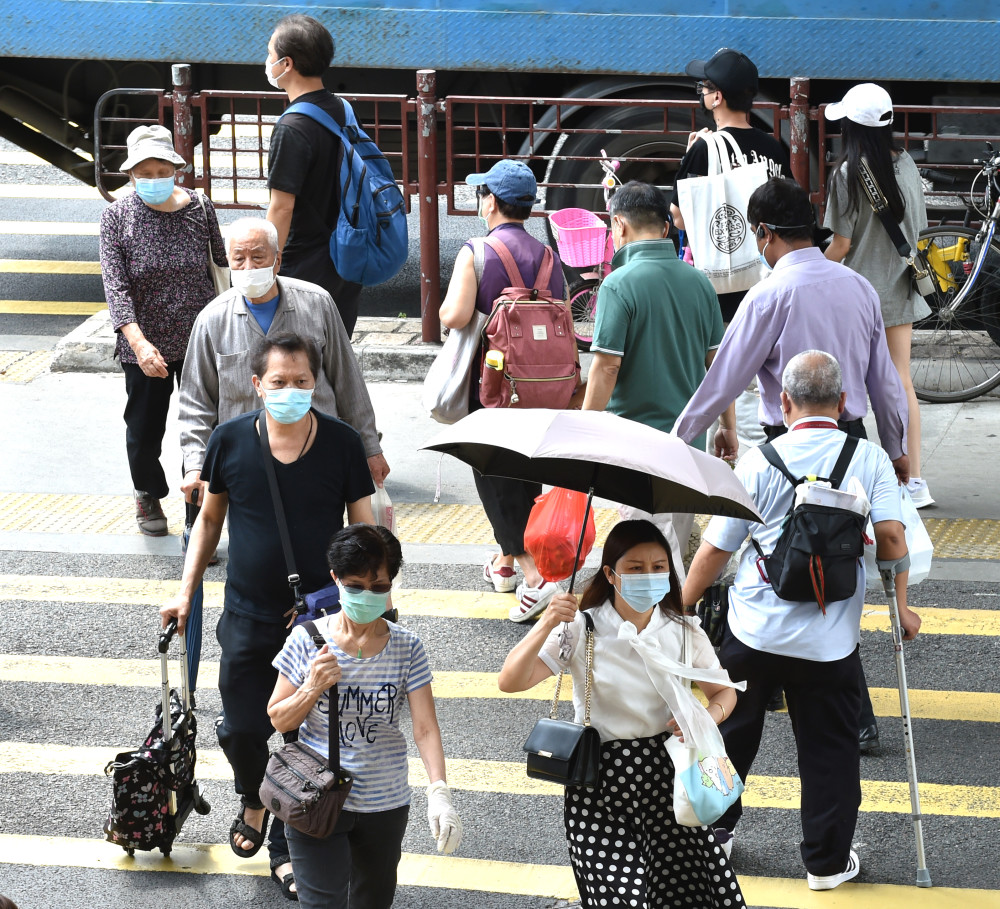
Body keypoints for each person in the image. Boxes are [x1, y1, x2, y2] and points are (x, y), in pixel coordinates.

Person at [682, 351, 921, 889]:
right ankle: (826, 862)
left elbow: (717, 549)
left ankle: (715, 837)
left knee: (729, 734)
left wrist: (680, 603)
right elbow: (891, 540)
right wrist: (900, 607)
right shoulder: (870, 459)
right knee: (829, 750)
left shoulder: (759, 462)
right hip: (829, 643)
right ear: (842, 403)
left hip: (753, 633)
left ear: (783, 402)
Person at [163, 332, 377, 901]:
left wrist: (370, 603)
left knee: (305, 735)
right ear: (257, 386)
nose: (290, 391)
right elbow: (208, 523)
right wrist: (186, 594)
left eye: (301, 382)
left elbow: (363, 530)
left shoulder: (341, 444)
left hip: (318, 621)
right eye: (278, 382)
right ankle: (253, 798)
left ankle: (285, 843)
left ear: (316, 384)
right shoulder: (230, 441)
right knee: (242, 727)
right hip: (247, 614)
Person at [499, 519, 746, 908]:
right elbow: (511, 680)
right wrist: (547, 620)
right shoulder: (583, 627)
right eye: (635, 568)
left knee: (686, 892)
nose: (649, 575)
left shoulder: (682, 629)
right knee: (622, 897)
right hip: (599, 783)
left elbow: (724, 693)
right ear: (611, 574)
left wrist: (705, 716)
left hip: (667, 777)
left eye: (658, 566)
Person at [268, 522, 462, 908]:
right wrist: (311, 687)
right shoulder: (307, 640)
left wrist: (439, 792)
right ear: (335, 579)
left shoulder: (408, 647)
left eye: (379, 587)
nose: (366, 595)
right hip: (315, 796)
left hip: (384, 805)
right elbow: (279, 719)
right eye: (355, 585)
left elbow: (424, 728)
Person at [674, 177, 910, 487]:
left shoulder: (766, 297)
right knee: (850, 533)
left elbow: (722, 383)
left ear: (765, 233)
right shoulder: (860, 287)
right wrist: (897, 450)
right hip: (851, 448)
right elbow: (884, 381)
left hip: (789, 450)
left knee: (784, 533)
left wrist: (676, 442)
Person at [439, 159, 580, 622]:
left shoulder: (476, 251)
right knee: (526, 471)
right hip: (542, 384)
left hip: (495, 385)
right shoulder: (548, 258)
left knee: (494, 473)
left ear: (492, 202)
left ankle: (533, 574)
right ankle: (503, 564)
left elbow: (456, 317)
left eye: (483, 195)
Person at [178, 217, 388, 507]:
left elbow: (348, 382)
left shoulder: (317, 304)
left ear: (277, 261)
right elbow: (195, 402)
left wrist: (370, 448)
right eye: (239, 259)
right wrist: (195, 464)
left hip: (317, 448)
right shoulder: (211, 320)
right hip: (246, 458)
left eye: (258, 257)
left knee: (321, 535)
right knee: (255, 540)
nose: (248, 267)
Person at [583, 180, 723, 579]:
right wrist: (726, 428)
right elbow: (720, 367)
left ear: (619, 227)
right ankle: (674, 623)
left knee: (649, 555)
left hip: (636, 444)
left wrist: (586, 427)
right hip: (690, 443)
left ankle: (664, 625)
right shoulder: (698, 281)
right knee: (670, 545)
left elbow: (607, 367)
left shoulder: (618, 284)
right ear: (664, 229)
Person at [99, 124, 227, 535]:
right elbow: (116, 287)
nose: (154, 180)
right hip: (145, 344)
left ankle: (198, 515)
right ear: (131, 175)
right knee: (143, 430)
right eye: (144, 174)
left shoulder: (200, 207)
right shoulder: (116, 216)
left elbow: (223, 266)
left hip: (201, 342)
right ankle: (148, 494)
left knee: (205, 429)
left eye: (161, 171)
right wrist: (139, 344)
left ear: (176, 169)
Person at [824, 83, 933, 508]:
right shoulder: (905, 163)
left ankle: (849, 477)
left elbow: (841, 245)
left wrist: (806, 267)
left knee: (846, 384)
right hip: (898, 285)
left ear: (851, 127)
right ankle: (915, 481)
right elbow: (918, 228)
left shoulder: (848, 174)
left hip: (854, 295)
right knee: (900, 382)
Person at [669, 48, 792, 324]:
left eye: (703, 87)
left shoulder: (705, 149)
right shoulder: (774, 147)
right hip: (766, 283)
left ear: (717, 97)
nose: (701, 93)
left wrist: (688, 160)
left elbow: (679, 219)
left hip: (721, 289)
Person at [265, 14, 364, 336]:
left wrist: (267, 262)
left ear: (287, 63)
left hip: (304, 265)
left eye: (269, 54)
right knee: (333, 356)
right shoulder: (341, 108)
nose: (267, 62)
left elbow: (282, 207)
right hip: (347, 254)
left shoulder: (292, 128)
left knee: (297, 362)